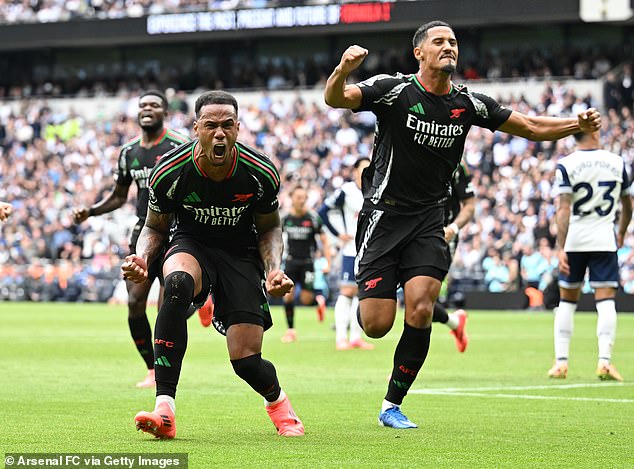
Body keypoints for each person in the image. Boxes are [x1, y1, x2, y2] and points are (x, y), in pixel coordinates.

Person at [324, 20, 601, 429]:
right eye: (439, 42)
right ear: (419, 52)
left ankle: (391, 405)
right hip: (383, 216)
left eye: (453, 42)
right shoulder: (393, 90)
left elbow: (530, 127)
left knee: (420, 308)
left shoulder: (469, 103)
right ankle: (390, 290)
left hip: (430, 219)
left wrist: (575, 124)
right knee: (376, 325)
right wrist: (342, 69)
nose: (448, 47)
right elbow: (336, 99)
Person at [122, 90, 304, 439]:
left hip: (241, 253)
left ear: (238, 128)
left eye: (227, 126)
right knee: (175, 285)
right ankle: (165, 409)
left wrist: (273, 270)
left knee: (246, 361)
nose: (219, 134)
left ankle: (279, 404)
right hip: (192, 243)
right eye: (210, 126)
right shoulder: (170, 171)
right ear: (196, 129)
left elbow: (270, 227)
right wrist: (142, 258)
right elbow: (154, 226)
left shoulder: (260, 172)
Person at [73, 90, 209, 389]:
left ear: (164, 112)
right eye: (143, 105)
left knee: (168, 307)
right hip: (145, 232)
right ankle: (151, 368)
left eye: (154, 105)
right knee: (135, 302)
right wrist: (92, 210)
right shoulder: (128, 152)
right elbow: (120, 195)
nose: (148, 109)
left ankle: (197, 304)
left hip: (177, 232)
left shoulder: (180, 145)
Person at [548, 130, 631, 381]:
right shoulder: (617, 162)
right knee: (605, 302)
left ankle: (561, 363)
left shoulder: (566, 164)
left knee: (567, 301)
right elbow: (628, 205)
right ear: (594, 131)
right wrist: (621, 232)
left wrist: (561, 246)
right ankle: (604, 362)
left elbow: (563, 208)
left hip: (574, 239)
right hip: (604, 238)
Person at [318, 157, 374, 350]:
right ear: (355, 171)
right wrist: (337, 234)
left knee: (362, 292)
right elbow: (323, 211)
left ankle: (355, 337)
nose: (367, 171)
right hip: (351, 249)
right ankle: (341, 337)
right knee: (347, 290)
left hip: (371, 250)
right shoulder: (347, 191)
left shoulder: (377, 189)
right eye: (363, 168)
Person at [280, 184, 332, 343]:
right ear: (292, 199)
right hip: (290, 262)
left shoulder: (312, 218)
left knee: (305, 300)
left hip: (307, 263)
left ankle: (318, 301)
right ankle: (290, 330)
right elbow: (275, 239)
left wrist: (328, 262)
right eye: (298, 198)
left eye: (304, 198)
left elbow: (324, 239)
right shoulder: (285, 219)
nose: (301, 201)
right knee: (287, 297)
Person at [431, 162, 474, 352]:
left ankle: (402, 371)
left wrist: (453, 229)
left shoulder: (458, 166)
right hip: (413, 234)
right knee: (418, 303)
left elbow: (470, 205)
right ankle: (455, 323)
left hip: (442, 238)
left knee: (420, 301)